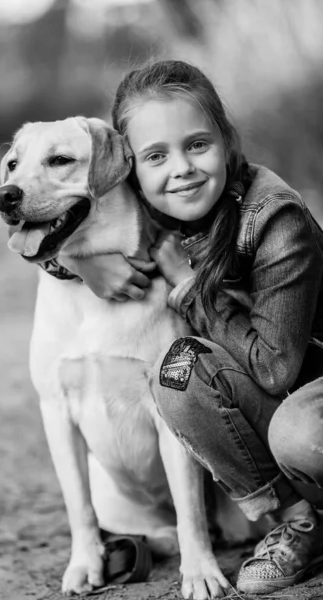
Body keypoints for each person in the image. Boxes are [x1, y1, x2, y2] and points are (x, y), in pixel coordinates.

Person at [56, 60, 323, 595]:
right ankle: (302, 523)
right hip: (269, 400)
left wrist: (185, 285)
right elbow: (51, 216)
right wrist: (75, 260)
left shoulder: (273, 220)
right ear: (128, 170)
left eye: (198, 145)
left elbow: (274, 367)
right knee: (176, 371)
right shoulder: (159, 209)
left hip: (308, 386)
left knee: (304, 435)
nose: (182, 168)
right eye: (156, 156)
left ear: (226, 141)